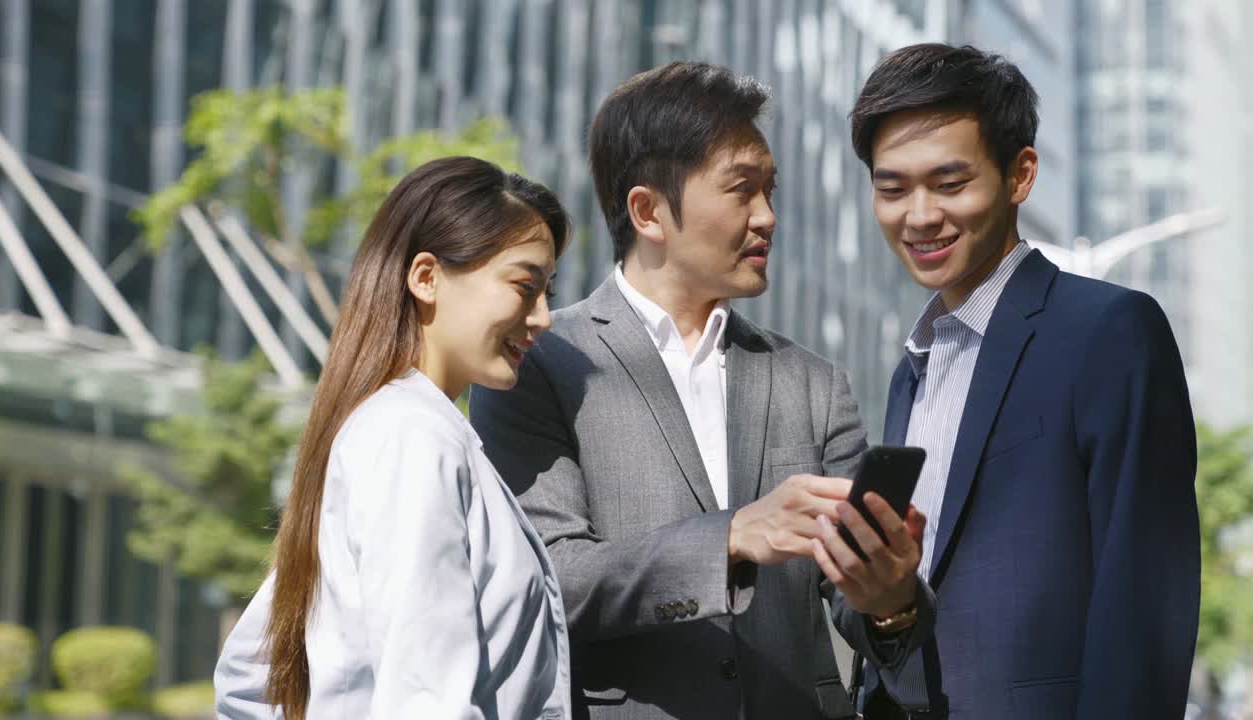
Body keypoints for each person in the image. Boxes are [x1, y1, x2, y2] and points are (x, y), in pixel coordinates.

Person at [471, 61, 933, 720]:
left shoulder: (814, 383)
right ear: (649, 211)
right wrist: (733, 537)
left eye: (771, 190)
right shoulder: (538, 364)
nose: (768, 216)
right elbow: (550, 579)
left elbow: (862, 617)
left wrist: (890, 600)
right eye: (742, 189)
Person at [848, 43, 1200, 719]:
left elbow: (1144, 606)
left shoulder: (1110, 333)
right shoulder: (909, 373)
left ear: (1021, 174)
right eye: (892, 188)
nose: (918, 216)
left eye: (950, 184)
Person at [213, 156, 573, 719]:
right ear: (426, 277)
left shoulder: (393, 427)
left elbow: (251, 677)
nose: (544, 317)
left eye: (549, 290)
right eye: (525, 286)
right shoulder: (412, 438)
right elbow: (426, 698)